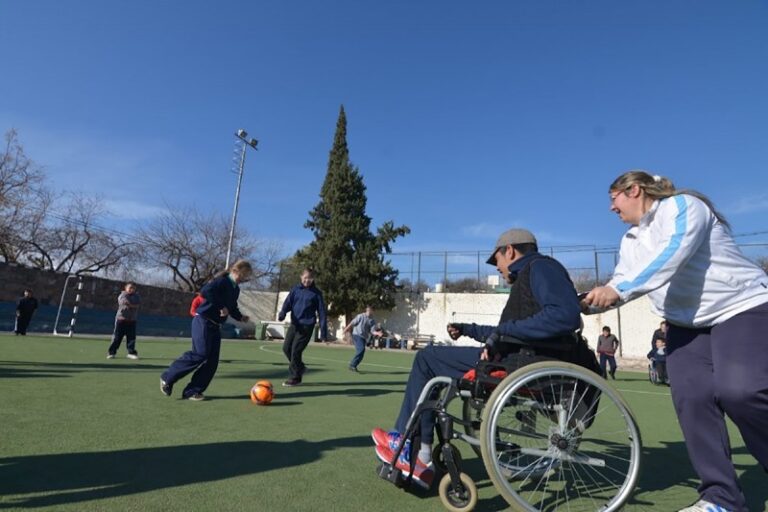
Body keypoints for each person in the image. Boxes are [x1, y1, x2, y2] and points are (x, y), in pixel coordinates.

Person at [582, 170, 768, 512]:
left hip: (741, 306)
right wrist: (590, 303)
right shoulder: (630, 241)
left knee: (741, 392)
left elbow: (672, 254)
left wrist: (618, 289)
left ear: (634, 189)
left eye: (614, 199)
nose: (611, 209)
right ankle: (722, 499)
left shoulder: (684, 207)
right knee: (692, 400)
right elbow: (623, 280)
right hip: (685, 325)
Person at [371, 228, 591, 489]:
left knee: (427, 359)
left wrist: (503, 333)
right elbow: (505, 332)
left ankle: (415, 451)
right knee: (432, 359)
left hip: (519, 364)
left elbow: (565, 316)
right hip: (516, 358)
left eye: (496, 259)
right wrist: (467, 329)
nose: (497, 267)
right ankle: (418, 450)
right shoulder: (531, 275)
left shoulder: (541, 268)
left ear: (509, 251)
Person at [160, 260, 251, 401]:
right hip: (203, 321)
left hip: (215, 326)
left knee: (212, 362)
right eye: (242, 275)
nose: (243, 279)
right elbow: (205, 291)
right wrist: (221, 306)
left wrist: (240, 317)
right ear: (235, 271)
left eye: (245, 277)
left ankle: (192, 391)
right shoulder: (222, 281)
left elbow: (231, 307)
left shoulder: (235, 289)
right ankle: (168, 377)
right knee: (200, 353)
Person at [278, 268, 328, 387]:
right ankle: (300, 367)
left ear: (313, 279)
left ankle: (296, 377)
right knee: (286, 348)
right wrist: (283, 313)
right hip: (295, 325)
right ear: (301, 277)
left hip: (306, 326)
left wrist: (323, 332)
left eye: (310, 278)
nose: (307, 281)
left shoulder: (316, 293)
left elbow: (322, 313)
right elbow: (288, 303)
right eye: (305, 278)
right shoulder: (295, 289)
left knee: (296, 350)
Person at [106, 282, 141, 360]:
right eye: (130, 287)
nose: (132, 289)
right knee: (117, 337)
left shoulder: (137, 296)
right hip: (121, 320)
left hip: (132, 320)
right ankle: (111, 352)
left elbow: (137, 304)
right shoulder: (122, 295)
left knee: (131, 338)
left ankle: (131, 353)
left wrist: (133, 305)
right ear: (125, 288)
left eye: (133, 288)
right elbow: (126, 303)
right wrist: (132, 305)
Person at [344, 306, 383, 372]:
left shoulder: (372, 321)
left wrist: (378, 333)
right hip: (356, 335)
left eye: (371, 311)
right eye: (369, 311)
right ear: (367, 310)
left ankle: (354, 366)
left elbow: (372, 331)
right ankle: (352, 365)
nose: (371, 312)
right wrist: (345, 330)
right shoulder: (360, 316)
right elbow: (352, 323)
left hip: (363, 337)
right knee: (361, 349)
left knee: (361, 352)